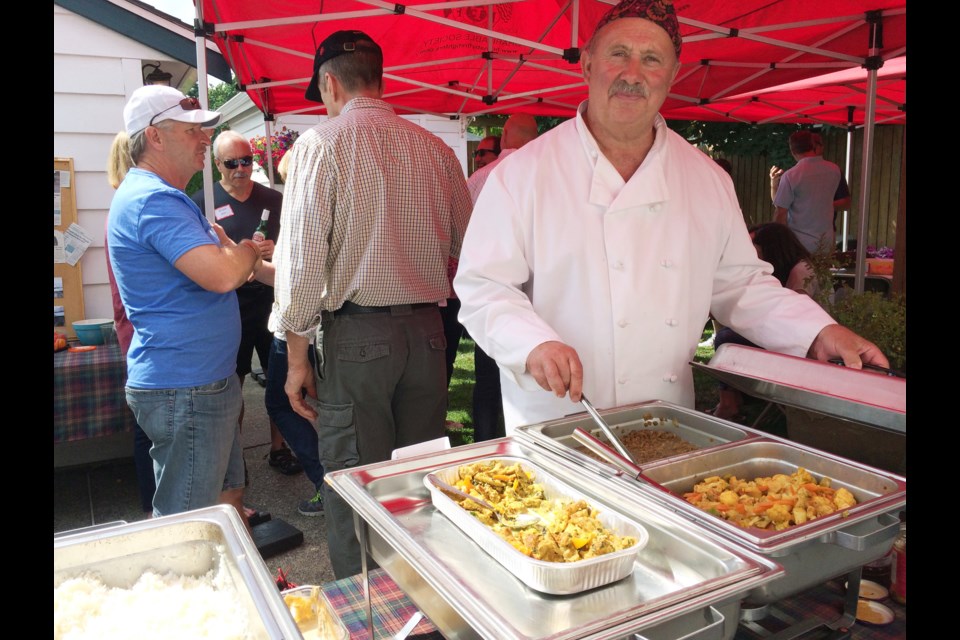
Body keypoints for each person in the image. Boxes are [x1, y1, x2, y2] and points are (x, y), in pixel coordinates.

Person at [453, 0, 888, 434]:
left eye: (651, 59)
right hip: (555, 417)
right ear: (586, 65)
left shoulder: (706, 178)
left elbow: (741, 287)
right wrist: (532, 343)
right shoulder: (523, 173)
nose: (632, 74)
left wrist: (818, 330)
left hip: (664, 420)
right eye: (618, 54)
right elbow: (484, 285)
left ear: (672, 75)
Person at [273, 29, 473, 577]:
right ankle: (425, 603)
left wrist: (295, 362)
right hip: (429, 335)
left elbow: (301, 267)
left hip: (358, 338)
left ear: (329, 83)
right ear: (380, 80)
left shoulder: (320, 144)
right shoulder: (435, 149)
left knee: (359, 487)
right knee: (419, 483)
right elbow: (470, 250)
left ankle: (366, 620)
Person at [107, 85, 264, 524]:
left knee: (229, 497)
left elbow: (219, 262)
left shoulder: (161, 195)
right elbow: (223, 273)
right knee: (186, 523)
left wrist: (234, 254)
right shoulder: (154, 199)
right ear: (155, 136)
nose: (205, 139)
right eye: (192, 129)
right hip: (186, 387)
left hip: (201, 382)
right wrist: (249, 250)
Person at [191, 130, 303, 477]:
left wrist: (274, 251)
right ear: (217, 164)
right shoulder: (203, 200)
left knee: (279, 377)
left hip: (271, 300)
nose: (241, 169)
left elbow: (295, 246)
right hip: (228, 304)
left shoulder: (273, 198)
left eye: (247, 160)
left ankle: (279, 448)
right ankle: (233, 457)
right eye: (232, 163)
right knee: (232, 384)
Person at [463, 114, 540, 441]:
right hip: (541, 300)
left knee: (487, 381)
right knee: (536, 380)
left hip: (492, 295)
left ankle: (484, 441)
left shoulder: (481, 179)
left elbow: (461, 232)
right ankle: (531, 442)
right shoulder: (548, 175)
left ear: (504, 135)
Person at [710, 223, 819, 420]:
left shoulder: (802, 270)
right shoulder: (785, 267)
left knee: (725, 339)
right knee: (728, 335)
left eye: (754, 248)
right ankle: (734, 399)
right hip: (790, 340)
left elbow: (792, 318)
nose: (751, 254)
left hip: (802, 347)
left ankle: (729, 404)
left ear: (773, 247)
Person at [105, 131, 156, 517]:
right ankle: (153, 507)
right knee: (147, 429)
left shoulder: (122, 203)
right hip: (140, 331)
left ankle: (151, 504)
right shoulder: (138, 204)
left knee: (146, 427)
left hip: (131, 327)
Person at [771, 130, 845, 253]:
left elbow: (781, 212)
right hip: (826, 241)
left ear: (792, 150)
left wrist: (778, 242)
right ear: (813, 145)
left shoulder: (791, 175)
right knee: (821, 272)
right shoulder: (834, 170)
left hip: (799, 243)